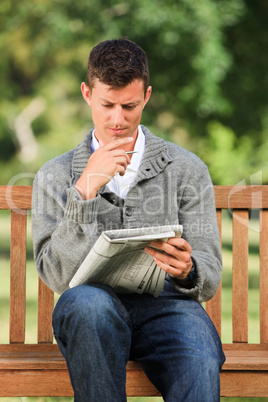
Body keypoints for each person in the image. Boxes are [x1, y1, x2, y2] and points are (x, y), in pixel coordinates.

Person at [32, 38, 225, 401]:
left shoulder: (186, 169)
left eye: (129, 106)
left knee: (199, 355)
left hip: (168, 306)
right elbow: (57, 276)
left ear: (147, 96)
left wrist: (188, 270)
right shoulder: (55, 175)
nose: (117, 119)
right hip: (92, 308)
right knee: (88, 305)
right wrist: (85, 190)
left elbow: (210, 272)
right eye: (107, 105)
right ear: (87, 93)